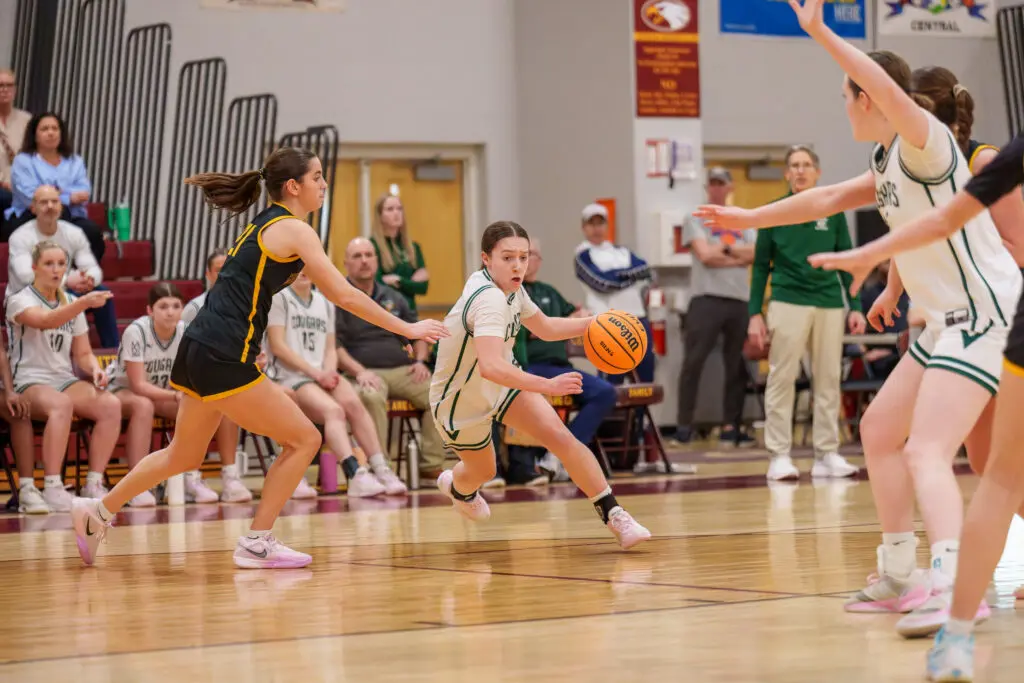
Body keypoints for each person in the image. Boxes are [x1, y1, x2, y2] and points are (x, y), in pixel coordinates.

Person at [695, 0, 1018, 639]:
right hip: (944, 324)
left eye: (848, 94)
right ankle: (900, 572)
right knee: (878, 431)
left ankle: (957, 588)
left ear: (869, 96)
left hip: (984, 316)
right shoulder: (888, 162)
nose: (844, 105)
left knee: (930, 450)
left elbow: (882, 92)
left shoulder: (927, 145)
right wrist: (751, 218)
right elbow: (826, 197)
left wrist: (817, 29)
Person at [69, 147, 447, 570]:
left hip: (202, 346)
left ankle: (97, 511)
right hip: (223, 352)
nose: (324, 184)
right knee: (304, 438)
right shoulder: (294, 230)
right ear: (293, 186)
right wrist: (408, 328)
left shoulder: (266, 224)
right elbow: (342, 294)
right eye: (317, 177)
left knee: (183, 455)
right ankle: (256, 540)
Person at [809, 129, 1024, 683]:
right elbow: (928, 224)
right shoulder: (911, 168)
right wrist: (892, 283)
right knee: (987, 467)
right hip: (965, 325)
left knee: (969, 462)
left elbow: (1012, 244)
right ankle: (937, 603)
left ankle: (949, 592)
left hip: (987, 319)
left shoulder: (973, 159)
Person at [430, 220, 649, 550]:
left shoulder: (513, 289)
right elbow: (490, 367)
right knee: (484, 471)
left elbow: (544, 327)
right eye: (508, 257)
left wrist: (596, 323)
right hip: (461, 401)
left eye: (524, 256)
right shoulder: (487, 299)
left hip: (504, 384)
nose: (518, 265)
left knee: (561, 436)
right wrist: (547, 384)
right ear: (486, 258)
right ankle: (458, 487)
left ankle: (614, 514)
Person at [747, 145, 865, 479]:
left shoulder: (834, 210)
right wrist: (755, 312)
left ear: (817, 173)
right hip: (787, 300)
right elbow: (760, 266)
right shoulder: (774, 211)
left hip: (829, 301)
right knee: (782, 377)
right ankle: (779, 456)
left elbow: (848, 259)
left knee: (828, 378)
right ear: (787, 174)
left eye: (806, 165)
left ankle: (827, 454)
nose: (800, 170)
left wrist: (854, 306)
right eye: (794, 165)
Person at [265, 270, 407, 498]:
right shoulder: (279, 299)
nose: (303, 271)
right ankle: (355, 474)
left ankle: (381, 469)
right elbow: (279, 347)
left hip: (321, 373)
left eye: (307, 265)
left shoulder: (323, 302)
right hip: (290, 376)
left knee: (354, 403)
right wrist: (315, 372)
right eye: (297, 266)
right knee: (334, 411)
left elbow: (330, 348)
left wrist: (329, 370)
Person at [7, 240, 120, 503]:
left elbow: (82, 353)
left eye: (61, 264)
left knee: (111, 405)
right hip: (28, 380)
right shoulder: (19, 299)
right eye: (49, 263)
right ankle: (53, 485)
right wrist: (83, 304)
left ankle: (94, 482)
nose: (56, 269)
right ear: (35, 267)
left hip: (63, 378)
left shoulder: (70, 301)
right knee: (61, 405)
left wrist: (94, 370)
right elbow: (47, 321)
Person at [336, 237, 449, 481]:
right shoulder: (339, 297)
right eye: (357, 256)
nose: (364, 261)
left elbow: (418, 333)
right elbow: (334, 346)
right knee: (371, 396)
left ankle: (431, 465)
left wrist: (420, 361)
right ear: (345, 263)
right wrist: (359, 372)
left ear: (377, 261)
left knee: (439, 392)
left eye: (369, 255)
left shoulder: (394, 297)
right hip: (360, 372)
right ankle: (381, 467)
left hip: (403, 371)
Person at [517, 238, 616, 484]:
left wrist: (582, 316)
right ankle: (543, 459)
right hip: (531, 368)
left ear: (539, 261)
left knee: (605, 392)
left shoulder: (549, 292)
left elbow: (573, 314)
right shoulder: (513, 293)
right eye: (522, 255)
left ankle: (558, 455)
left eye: (532, 255)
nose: (527, 260)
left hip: (561, 367)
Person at [676, 167, 757, 447]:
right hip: (705, 298)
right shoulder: (696, 217)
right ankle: (684, 424)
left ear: (730, 187)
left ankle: (729, 425)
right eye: (712, 183)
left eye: (722, 183)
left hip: (739, 300)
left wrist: (721, 251)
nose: (717, 188)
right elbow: (705, 255)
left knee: (736, 365)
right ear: (707, 187)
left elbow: (755, 255)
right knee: (693, 362)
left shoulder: (743, 220)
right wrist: (735, 255)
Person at [105, 283, 188, 507]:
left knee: (195, 407)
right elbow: (138, 385)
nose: (170, 311)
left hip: (160, 393)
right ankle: (136, 485)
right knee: (143, 405)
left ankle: (189, 477)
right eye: (163, 306)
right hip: (119, 390)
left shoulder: (184, 331)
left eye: (175, 306)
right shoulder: (137, 331)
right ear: (150, 310)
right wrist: (174, 396)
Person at [181, 247, 254, 504]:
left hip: (233, 378)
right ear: (208, 274)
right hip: (196, 381)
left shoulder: (246, 304)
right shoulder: (194, 308)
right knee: (222, 404)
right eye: (219, 271)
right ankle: (191, 475)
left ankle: (230, 476)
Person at [7, 185, 119, 347]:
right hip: (27, 297)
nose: (50, 206)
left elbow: (93, 268)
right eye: (44, 202)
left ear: (61, 206)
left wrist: (89, 280)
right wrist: (67, 281)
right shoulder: (20, 236)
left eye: (54, 201)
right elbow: (26, 276)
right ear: (33, 208)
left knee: (102, 294)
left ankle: (112, 354)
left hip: (63, 292)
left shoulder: (73, 233)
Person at [3, 112, 105, 262]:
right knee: (57, 219)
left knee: (92, 232)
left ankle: (81, 277)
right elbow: (31, 197)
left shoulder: (74, 161)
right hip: (31, 216)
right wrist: (68, 197)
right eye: (44, 129)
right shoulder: (23, 161)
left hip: (71, 216)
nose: (50, 133)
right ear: (34, 135)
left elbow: (83, 192)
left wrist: (50, 193)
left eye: (54, 129)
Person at [574, 203, 655, 383]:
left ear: (607, 225)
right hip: (607, 321)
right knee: (612, 377)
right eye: (591, 224)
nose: (596, 229)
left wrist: (618, 276)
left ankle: (639, 413)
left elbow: (646, 269)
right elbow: (602, 283)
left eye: (600, 223)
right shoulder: (583, 255)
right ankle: (609, 412)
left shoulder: (623, 251)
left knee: (645, 376)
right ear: (584, 227)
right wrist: (630, 276)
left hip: (637, 317)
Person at [370, 194, 428, 315]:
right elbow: (377, 283)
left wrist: (398, 280)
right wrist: (410, 282)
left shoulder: (413, 247)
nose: (396, 213)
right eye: (390, 209)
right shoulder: (372, 246)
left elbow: (423, 287)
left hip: (409, 313)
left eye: (399, 208)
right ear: (380, 216)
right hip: (385, 314)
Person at [0, 69, 31, 217]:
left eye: (9, 85)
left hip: (21, 187)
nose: (4, 90)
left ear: (15, 90)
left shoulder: (27, 120)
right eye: (0, 85)